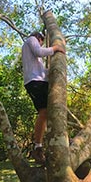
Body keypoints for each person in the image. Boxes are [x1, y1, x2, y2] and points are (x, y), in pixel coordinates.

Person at [22, 31, 65, 164]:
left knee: (49, 112)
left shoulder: (35, 60)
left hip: (39, 81)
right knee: (44, 112)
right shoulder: (31, 40)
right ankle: (38, 146)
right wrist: (55, 48)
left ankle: (43, 145)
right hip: (34, 82)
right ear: (39, 38)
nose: (41, 43)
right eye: (42, 41)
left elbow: (42, 72)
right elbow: (39, 51)